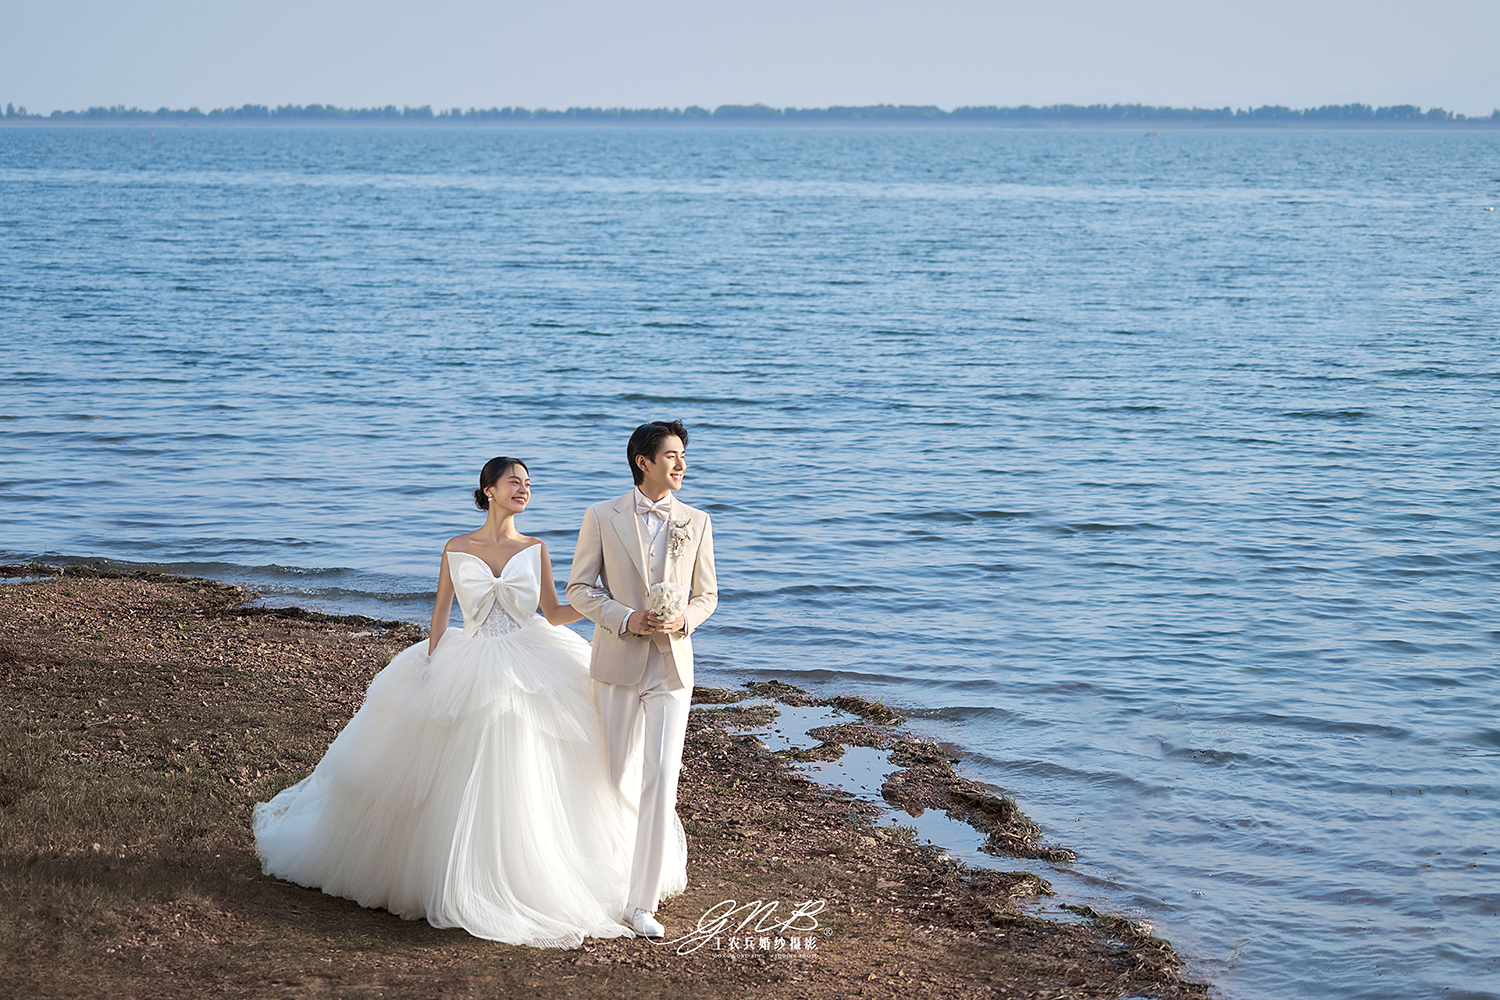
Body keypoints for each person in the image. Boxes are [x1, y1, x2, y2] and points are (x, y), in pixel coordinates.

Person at [252, 457, 639, 947]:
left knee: (528, 752)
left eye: (528, 483)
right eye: (514, 482)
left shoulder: (536, 547)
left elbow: (554, 611)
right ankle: (451, 869)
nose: (524, 489)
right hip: (468, 658)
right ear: (488, 489)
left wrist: (603, 607)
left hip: (530, 655)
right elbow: (440, 612)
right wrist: (431, 666)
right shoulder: (457, 547)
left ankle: (524, 863)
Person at [566, 419, 717, 939]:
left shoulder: (697, 521)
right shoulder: (601, 515)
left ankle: (641, 903)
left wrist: (685, 619)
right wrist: (626, 618)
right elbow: (580, 589)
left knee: (661, 779)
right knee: (611, 777)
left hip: (672, 668)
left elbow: (707, 594)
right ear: (643, 461)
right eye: (671, 455)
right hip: (617, 661)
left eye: (683, 455)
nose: (681, 464)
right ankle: (596, 879)